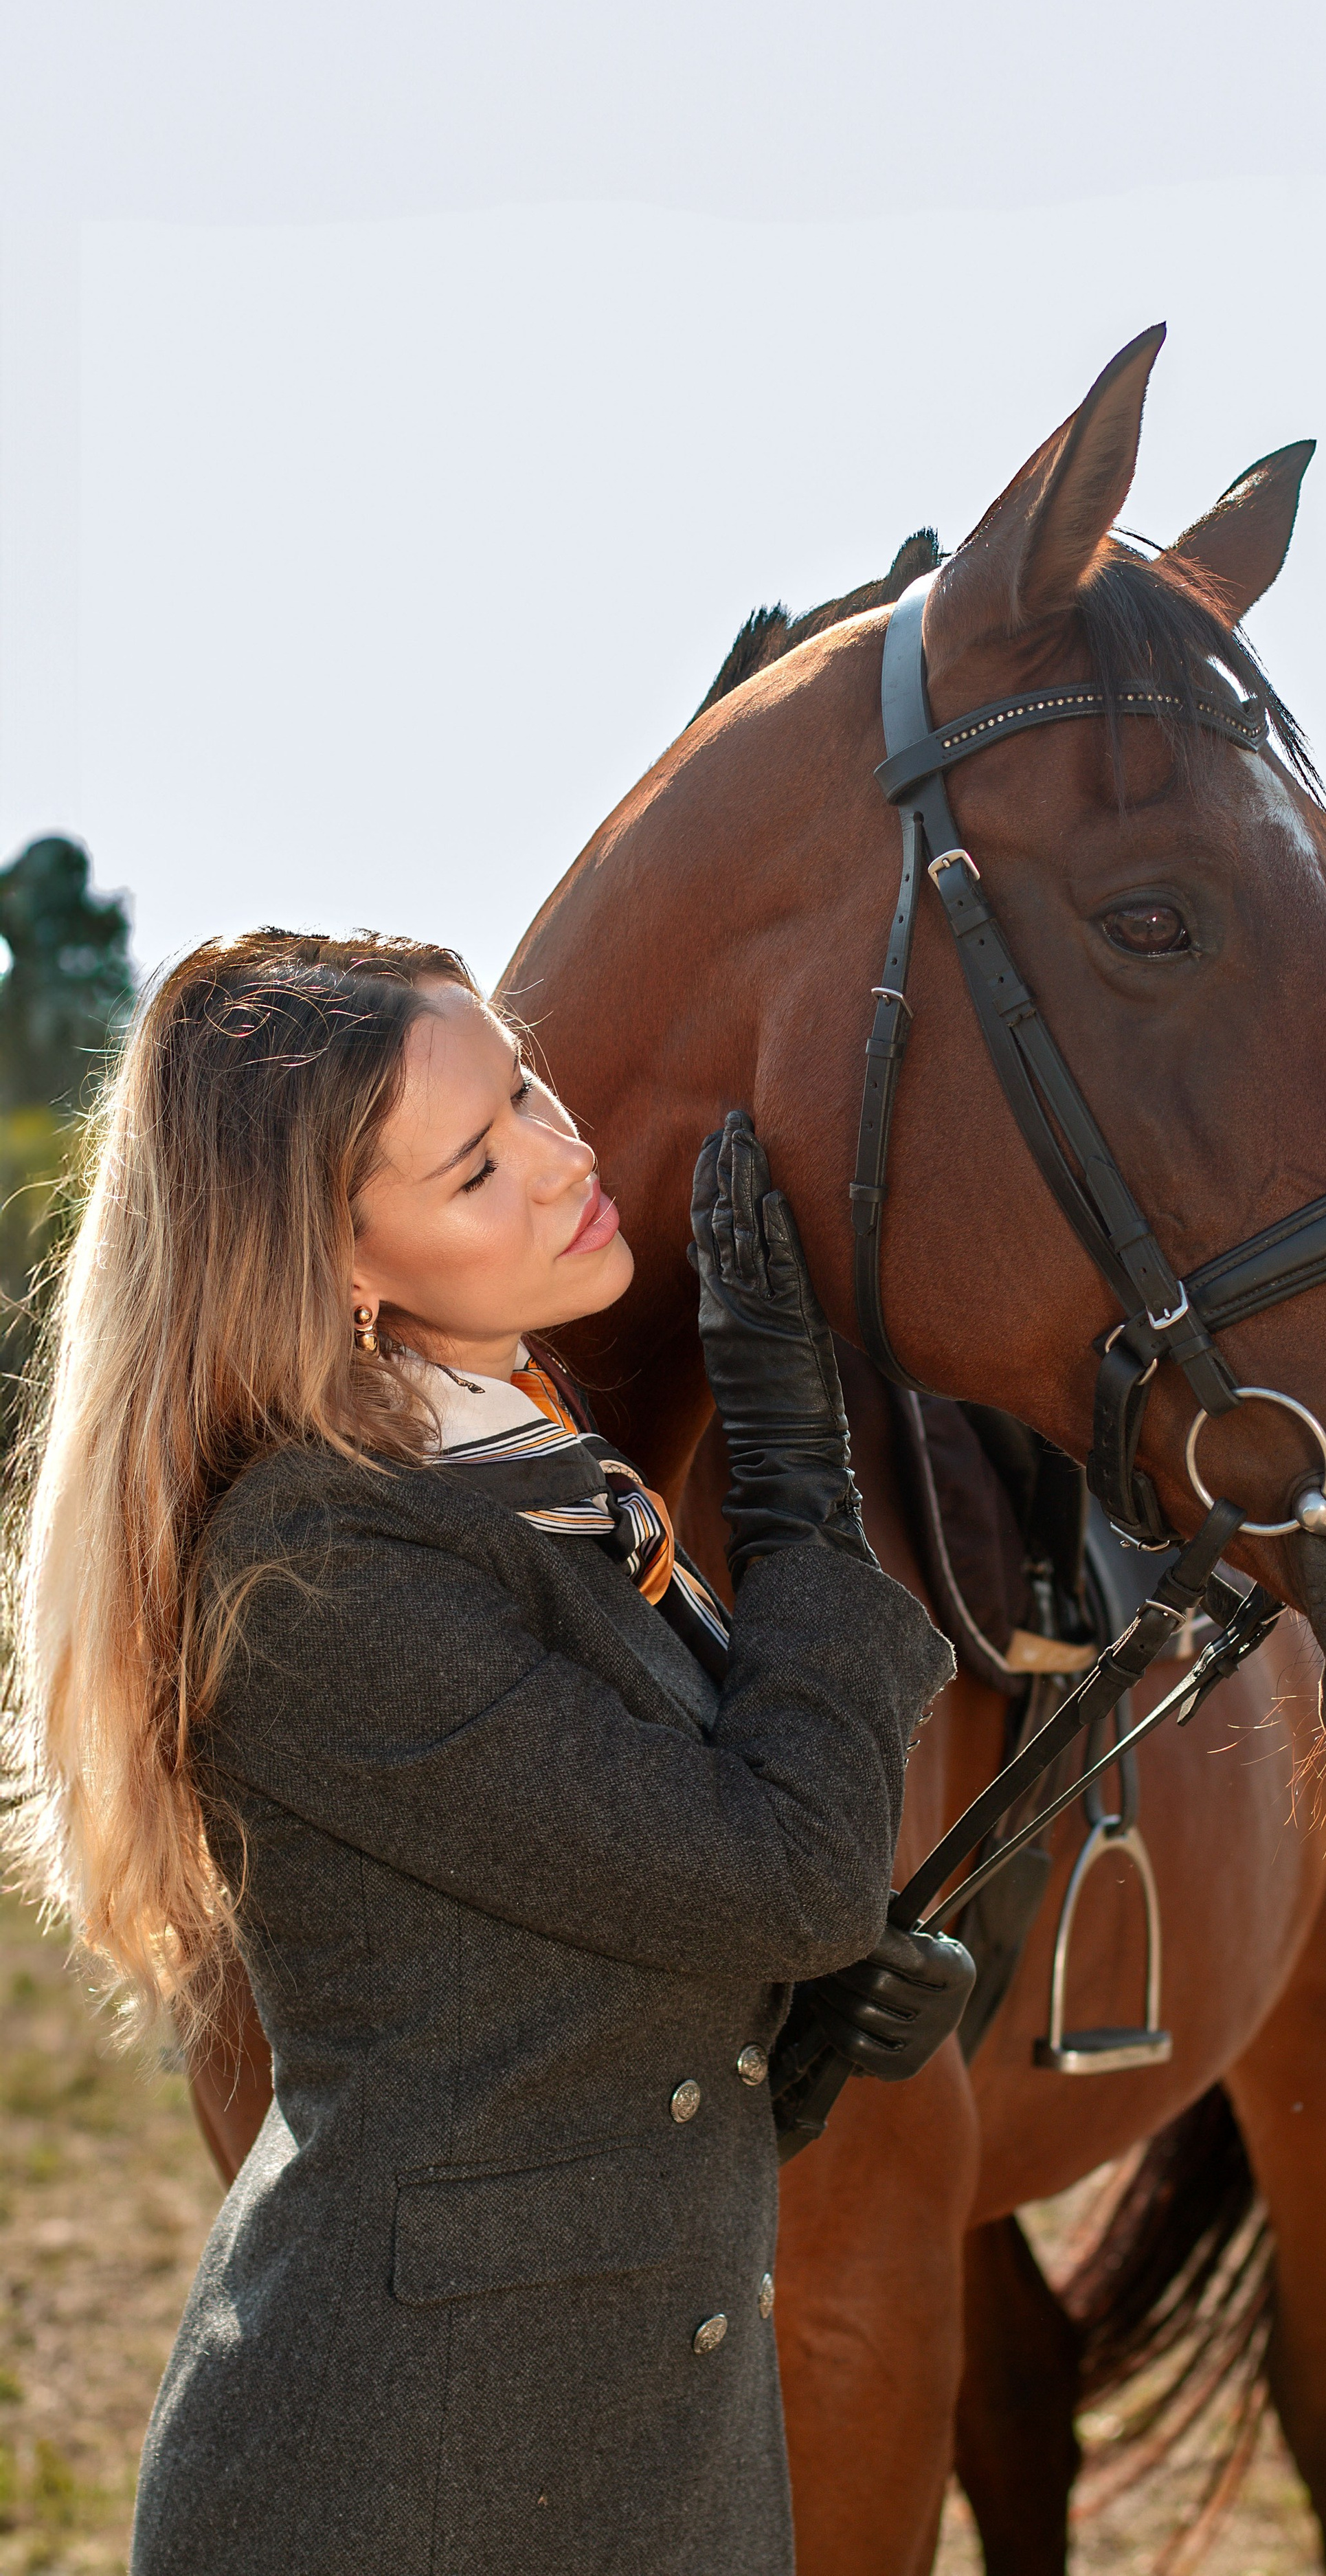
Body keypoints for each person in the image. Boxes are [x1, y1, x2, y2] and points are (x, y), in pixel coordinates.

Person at [7, 930, 969, 2576]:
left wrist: (784, 2040)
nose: (560, 1159)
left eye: (523, 1090)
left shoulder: (518, 1475)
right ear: (342, 1265)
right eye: (475, 1165)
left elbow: (562, 1997)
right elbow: (781, 1870)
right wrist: (800, 1487)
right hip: (404, 2482)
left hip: (638, 2463)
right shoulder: (325, 1570)